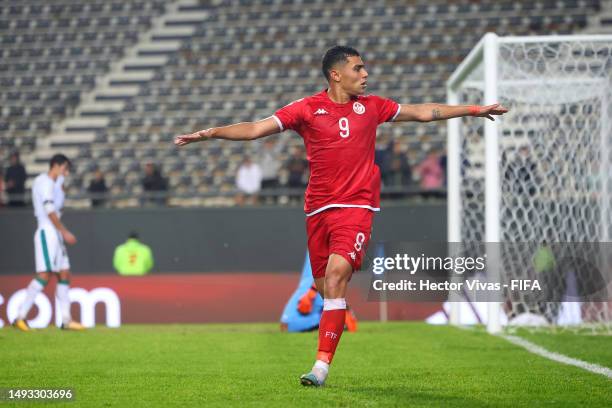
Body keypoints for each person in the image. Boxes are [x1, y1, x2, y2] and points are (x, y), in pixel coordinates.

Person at [174, 45, 507, 387]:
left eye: (364, 69)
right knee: (324, 289)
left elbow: (423, 112)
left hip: (357, 206)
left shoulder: (373, 106)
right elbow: (257, 129)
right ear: (336, 74)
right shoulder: (306, 109)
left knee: (334, 279)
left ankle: (320, 368)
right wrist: (210, 133)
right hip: (318, 209)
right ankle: (336, 311)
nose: (365, 75)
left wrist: (473, 109)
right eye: (358, 69)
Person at [12, 154, 84, 331]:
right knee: (45, 274)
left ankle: (66, 320)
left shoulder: (56, 183)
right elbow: (49, 209)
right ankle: (20, 317)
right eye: (65, 168)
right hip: (48, 232)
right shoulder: (44, 182)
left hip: (55, 233)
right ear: (56, 166)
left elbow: (58, 204)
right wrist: (64, 231)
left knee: (64, 273)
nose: (67, 172)